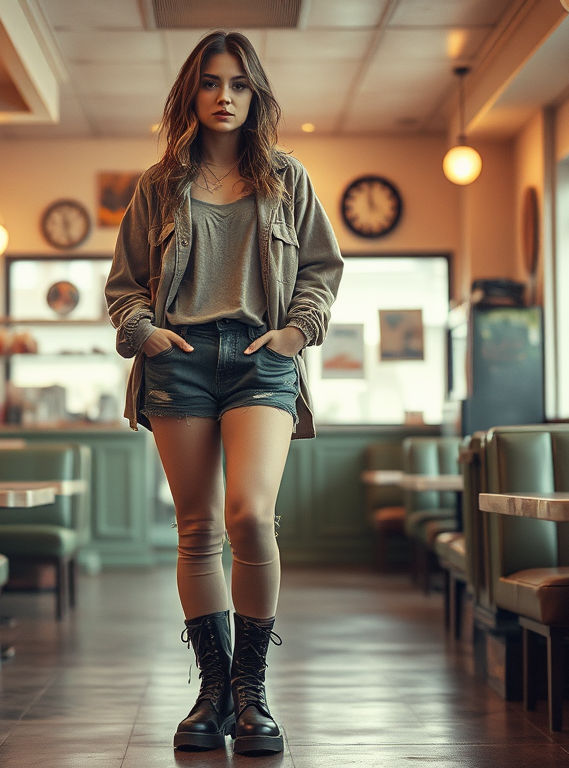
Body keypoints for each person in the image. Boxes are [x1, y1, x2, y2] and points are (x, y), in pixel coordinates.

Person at [105, 30, 343, 756]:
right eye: (211, 82)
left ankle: (253, 692)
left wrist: (297, 334)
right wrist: (143, 332)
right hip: (178, 361)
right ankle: (211, 694)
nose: (224, 96)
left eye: (238, 84)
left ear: (256, 94)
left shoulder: (287, 178)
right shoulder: (158, 184)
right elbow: (122, 285)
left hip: (258, 357)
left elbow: (322, 271)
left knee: (249, 515)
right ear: (192, 93)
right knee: (197, 525)